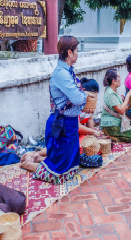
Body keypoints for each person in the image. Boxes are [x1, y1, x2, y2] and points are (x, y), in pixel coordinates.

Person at [20, 36, 94, 184]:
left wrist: (82, 95)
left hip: (69, 123)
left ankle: (37, 157)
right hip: (63, 125)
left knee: (70, 166)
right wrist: (85, 94)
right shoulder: (61, 74)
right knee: (59, 174)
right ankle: (27, 164)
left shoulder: (67, 71)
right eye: (76, 51)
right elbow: (78, 99)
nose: (78, 54)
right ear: (69, 53)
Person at [21, 78, 101, 163]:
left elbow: (90, 119)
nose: (95, 99)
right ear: (85, 92)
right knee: (70, 149)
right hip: (66, 133)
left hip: (76, 135)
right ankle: (36, 154)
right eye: (93, 96)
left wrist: (92, 138)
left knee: (88, 147)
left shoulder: (88, 107)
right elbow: (76, 126)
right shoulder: (75, 106)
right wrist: (93, 132)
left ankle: (41, 157)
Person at [101, 69, 131, 142]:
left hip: (117, 120)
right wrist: (128, 95)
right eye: (119, 77)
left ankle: (113, 134)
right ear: (113, 81)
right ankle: (111, 137)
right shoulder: (110, 93)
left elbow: (123, 107)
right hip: (110, 124)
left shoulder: (114, 91)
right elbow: (121, 111)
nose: (120, 79)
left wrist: (130, 101)